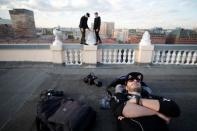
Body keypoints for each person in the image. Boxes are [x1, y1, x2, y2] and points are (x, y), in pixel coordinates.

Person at [110, 72, 180, 131]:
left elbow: (173, 109)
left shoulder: (153, 97)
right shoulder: (121, 98)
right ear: (126, 87)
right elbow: (123, 110)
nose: (135, 81)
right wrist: (157, 113)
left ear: (141, 86)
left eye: (138, 80)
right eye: (131, 80)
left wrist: (136, 100)